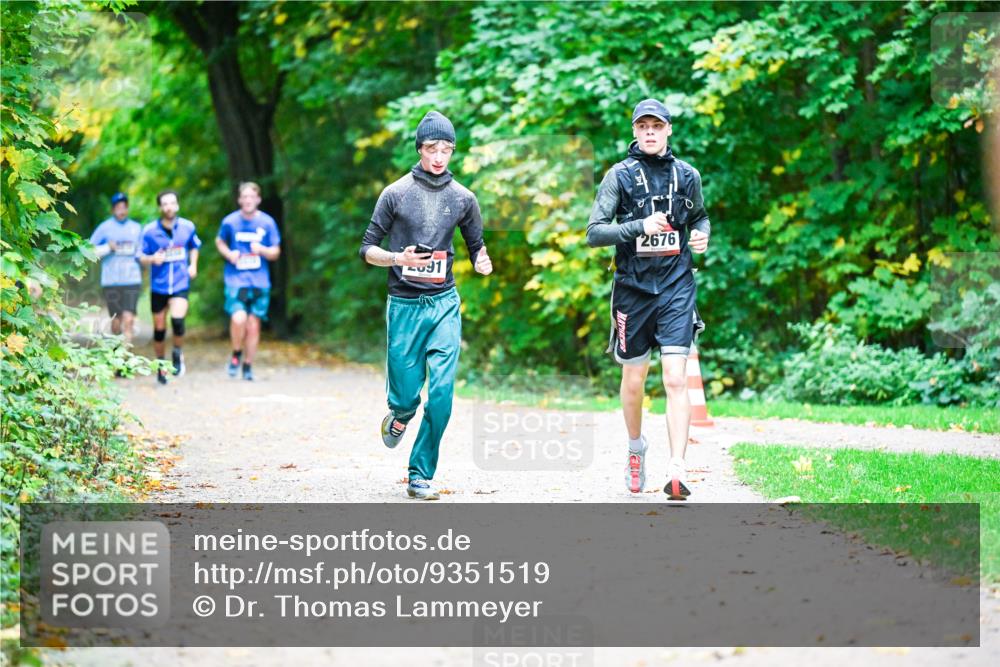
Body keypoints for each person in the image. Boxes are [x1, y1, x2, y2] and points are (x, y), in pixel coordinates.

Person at [359, 110, 493, 500]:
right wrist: (398, 259)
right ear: (419, 149)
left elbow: (476, 244)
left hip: (444, 302)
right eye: (432, 148)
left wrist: (482, 259)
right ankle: (400, 415)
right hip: (403, 305)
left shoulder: (463, 198)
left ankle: (420, 473)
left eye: (446, 148)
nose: (439, 156)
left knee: (443, 395)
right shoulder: (395, 193)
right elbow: (366, 248)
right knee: (404, 397)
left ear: (453, 151)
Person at [586, 99, 711, 500]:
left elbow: (701, 216)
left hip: (676, 287)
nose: (651, 132)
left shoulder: (687, 175)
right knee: (634, 379)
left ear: (669, 130)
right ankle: (636, 448)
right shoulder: (619, 177)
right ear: (635, 132)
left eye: (657, 126)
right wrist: (639, 226)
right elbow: (594, 232)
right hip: (633, 290)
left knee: (676, 377)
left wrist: (702, 234)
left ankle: (677, 469)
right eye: (644, 126)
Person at [214, 182, 281, 382]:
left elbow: (276, 252)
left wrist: (262, 250)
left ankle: (248, 364)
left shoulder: (268, 223)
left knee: (253, 324)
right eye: (244, 197)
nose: (248, 200)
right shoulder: (230, 222)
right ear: (239, 200)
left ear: (258, 199)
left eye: (252, 197)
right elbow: (219, 241)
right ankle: (236, 353)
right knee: (238, 319)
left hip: (259, 281)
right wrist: (229, 254)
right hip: (236, 280)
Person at [140, 190, 201, 385]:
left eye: (172, 203)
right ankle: (160, 366)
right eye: (165, 204)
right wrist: (152, 259)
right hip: (159, 286)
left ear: (177, 205)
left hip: (180, 283)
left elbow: (195, 246)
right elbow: (139, 256)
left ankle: (177, 352)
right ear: (160, 207)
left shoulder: (187, 227)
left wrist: (193, 265)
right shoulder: (149, 231)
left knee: (177, 321)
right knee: (159, 329)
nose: (169, 207)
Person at [89, 192, 143, 345]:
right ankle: (117, 355)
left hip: (132, 279)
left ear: (128, 209)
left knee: (129, 318)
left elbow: (143, 252)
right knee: (116, 321)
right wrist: (107, 247)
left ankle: (126, 360)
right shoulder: (104, 228)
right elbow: (89, 251)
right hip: (111, 281)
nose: (121, 210)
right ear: (113, 209)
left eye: (124, 207)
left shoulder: (137, 228)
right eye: (118, 207)